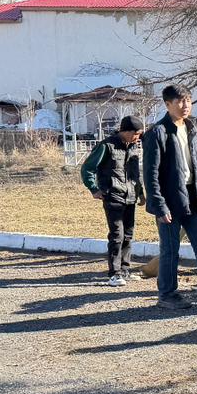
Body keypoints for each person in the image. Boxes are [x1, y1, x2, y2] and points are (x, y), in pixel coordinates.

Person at [142, 85, 197, 309]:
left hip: (193, 198)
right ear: (167, 104)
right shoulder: (157, 132)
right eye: (180, 101)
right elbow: (150, 174)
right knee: (170, 250)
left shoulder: (191, 128)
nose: (185, 105)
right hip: (169, 200)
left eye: (188, 100)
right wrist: (159, 206)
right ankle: (167, 295)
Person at [80, 115, 145, 286]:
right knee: (117, 235)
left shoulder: (133, 147)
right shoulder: (107, 146)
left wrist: (141, 193)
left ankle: (125, 270)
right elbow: (88, 168)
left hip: (130, 197)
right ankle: (114, 273)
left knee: (128, 235)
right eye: (137, 133)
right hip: (113, 195)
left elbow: (135, 174)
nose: (138, 137)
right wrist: (93, 188)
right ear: (126, 131)